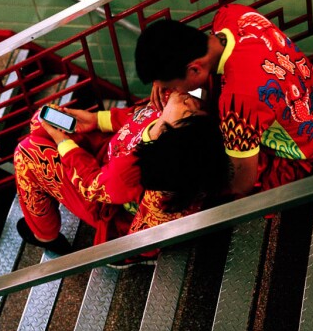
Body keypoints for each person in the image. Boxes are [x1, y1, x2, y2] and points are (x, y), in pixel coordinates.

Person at [134, 4, 313, 196]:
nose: (172, 91)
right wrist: (161, 75)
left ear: (194, 69)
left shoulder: (237, 104)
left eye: (173, 86)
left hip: (303, 143)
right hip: (311, 89)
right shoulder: (230, 14)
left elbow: (241, 185)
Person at [13, 92, 229, 255]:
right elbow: (135, 117)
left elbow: (93, 187)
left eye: (191, 112)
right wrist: (96, 119)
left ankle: (45, 234)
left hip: (101, 193)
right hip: (106, 152)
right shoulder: (166, 108)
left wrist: (63, 143)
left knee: (26, 155)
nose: (190, 101)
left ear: (169, 137)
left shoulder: (134, 169)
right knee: (40, 120)